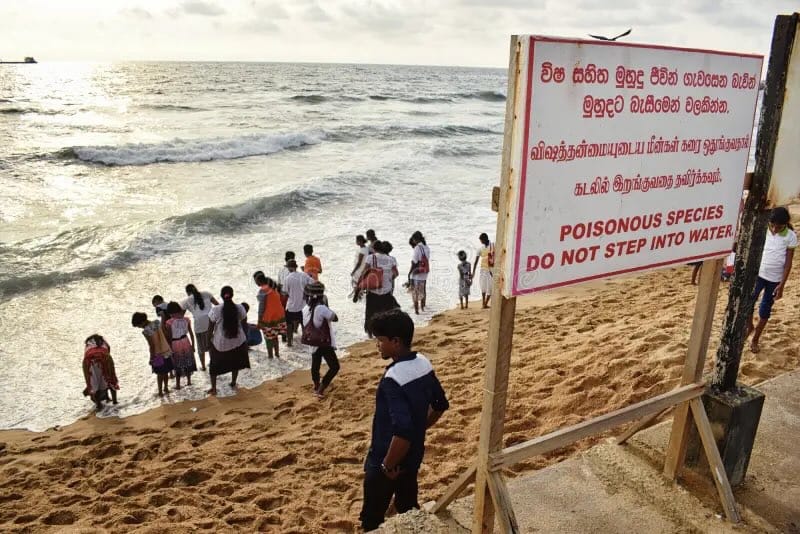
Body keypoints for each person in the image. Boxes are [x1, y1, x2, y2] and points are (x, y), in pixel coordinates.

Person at [359, 309, 449, 531]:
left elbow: (402, 431)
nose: (377, 345)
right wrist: (421, 428)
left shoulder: (393, 379)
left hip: (387, 457)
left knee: (372, 517)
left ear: (395, 342)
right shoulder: (423, 363)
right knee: (407, 504)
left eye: (380, 340)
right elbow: (440, 405)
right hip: (413, 454)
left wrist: (387, 465)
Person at [747, 207, 796, 353]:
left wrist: (782, 284)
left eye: (779, 227)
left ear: (786, 225)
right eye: (772, 225)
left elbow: (788, 262)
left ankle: (756, 338)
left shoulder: (791, 236)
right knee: (748, 302)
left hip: (774, 280)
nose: (774, 229)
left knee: (765, 309)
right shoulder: (764, 229)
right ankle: (749, 326)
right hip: (759, 274)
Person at [207, 286, 250, 395]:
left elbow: (210, 329)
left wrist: (208, 342)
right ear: (232, 295)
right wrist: (245, 338)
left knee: (214, 366)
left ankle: (214, 389)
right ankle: (233, 382)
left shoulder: (215, 310)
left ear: (222, 296)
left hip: (221, 344)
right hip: (238, 341)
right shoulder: (240, 308)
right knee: (235, 362)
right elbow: (245, 323)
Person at [302, 281, 340, 398]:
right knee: (335, 367)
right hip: (323, 341)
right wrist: (326, 305)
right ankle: (321, 389)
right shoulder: (321, 308)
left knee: (315, 364)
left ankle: (316, 384)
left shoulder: (305, 309)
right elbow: (335, 318)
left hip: (313, 341)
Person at [362, 240, 400, 337]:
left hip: (373, 290)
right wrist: (389, 279)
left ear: (374, 248)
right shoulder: (391, 259)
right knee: (386, 313)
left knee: (370, 312)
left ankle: (370, 334)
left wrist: (362, 285)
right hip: (386, 291)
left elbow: (364, 272)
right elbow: (396, 273)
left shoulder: (370, 258)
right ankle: (384, 332)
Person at [132, 312, 174, 397]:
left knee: (159, 374)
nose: (139, 327)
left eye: (138, 325)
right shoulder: (156, 322)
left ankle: (160, 392)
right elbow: (164, 334)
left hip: (157, 354)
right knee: (166, 371)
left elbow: (152, 345)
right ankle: (166, 388)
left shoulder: (146, 331)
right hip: (166, 350)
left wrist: (151, 358)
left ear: (142, 322)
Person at [181, 284, 218, 371]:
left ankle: (203, 366)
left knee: (201, 348)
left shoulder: (187, 300)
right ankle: (214, 362)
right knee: (212, 344)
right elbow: (217, 304)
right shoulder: (207, 293)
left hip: (199, 325)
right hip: (211, 322)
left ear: (187, 292)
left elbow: (181, 315)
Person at [82, 334, 119, 410]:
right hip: (105, 358)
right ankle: (115, 401)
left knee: (94, 385)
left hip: (90, 362)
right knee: (111, 380)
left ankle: (99, 405)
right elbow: (108, 351)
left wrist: (88, 385)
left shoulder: (88, 345)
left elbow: (86, 357)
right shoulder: (104, 342)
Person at [165, 301, 197, 390]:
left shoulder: (169, 322)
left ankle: (178, 385)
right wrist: (193, 345)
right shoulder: (186, 319)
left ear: (170, 312)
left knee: (177, 363)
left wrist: (169, 349)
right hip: (186, 341)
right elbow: (191, 333)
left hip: (175, 343)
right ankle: (189, 381)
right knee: (188, 361)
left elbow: (170, 337)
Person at [256, 274, 287, 358]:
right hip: (279, 316)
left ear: (259, 281)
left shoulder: (263, 291)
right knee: (275, 336)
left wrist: (259, 321)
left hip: (269, 318)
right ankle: (277, 354)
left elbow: (261, 308)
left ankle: (270, 356)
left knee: (268, 338)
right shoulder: (273, 288)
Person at [283, 259, 313, 346]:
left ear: (289, 268)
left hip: (291, 307)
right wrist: (306, 292)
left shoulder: (287, 278)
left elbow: (285, 292)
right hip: (303, 306)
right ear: (295, 267)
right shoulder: (303, 275)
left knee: (289, 325)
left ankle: (289, 343)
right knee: (303, 324)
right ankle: (305, 340)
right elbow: (313, 283)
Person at [407, 231, 430, 314]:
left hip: (417, 272)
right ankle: (423, 308)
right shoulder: (426, 247)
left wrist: (409, 273)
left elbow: (414, 262)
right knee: (423, 290)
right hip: (425, 271)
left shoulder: (417, 248)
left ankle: (417, 311)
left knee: (415, 292)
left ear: (415, 239)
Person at [472, 233, 495, 309]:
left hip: (491, 269)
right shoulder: (480, 249)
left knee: (490, 287)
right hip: (483, 270)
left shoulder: (493, 245)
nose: (480, 241)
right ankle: (483, 303)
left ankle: (485, 303)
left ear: (484, 239)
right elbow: (476, 262)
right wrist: (473, 272)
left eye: (481, 240)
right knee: (483, 286)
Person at [351, 235, 370, 302]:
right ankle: (359, 296)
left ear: (360, 241)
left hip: (359, 270)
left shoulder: (362, 251)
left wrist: (353, 271)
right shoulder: (366, 248)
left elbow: (359, 263)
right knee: (359, 283)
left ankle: (357, 297)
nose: (356, 242)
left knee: (355, 283)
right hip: (363, 269)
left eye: (356, 240)